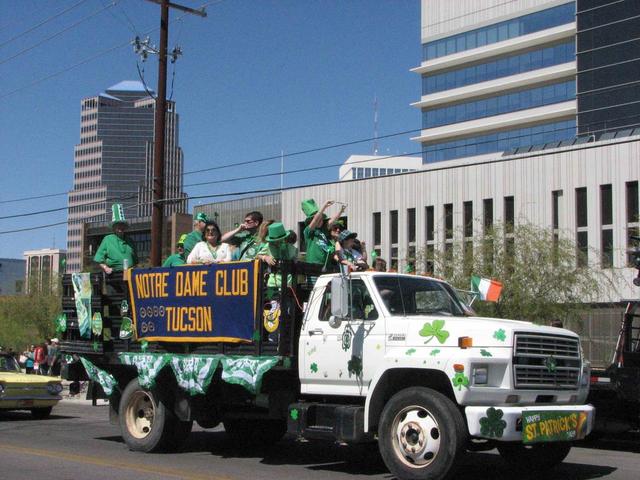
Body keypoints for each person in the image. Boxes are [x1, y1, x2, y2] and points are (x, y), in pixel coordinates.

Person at [301, 199, 345, 270]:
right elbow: (315, 219)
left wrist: (341, 211)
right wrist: (324, 206)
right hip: (313, 265)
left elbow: (333, 220)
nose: (320, 220)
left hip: (325, 266)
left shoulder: (323, 230)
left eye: (321, 219)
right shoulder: (308, 231)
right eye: (319, 219)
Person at [256, 223, 298, 297]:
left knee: (287, 306)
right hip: (273, 282)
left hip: (288, 283)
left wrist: (294, 261)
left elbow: (296, 260)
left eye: (279, 240)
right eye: (274, 240)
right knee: (274, 306)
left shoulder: (292, 248)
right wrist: (265, 257)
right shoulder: (268, 246)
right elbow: (257, 255)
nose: (276, 242)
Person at [94, 204, 138, 274]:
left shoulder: (130, 240)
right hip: (113, 275)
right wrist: (106, 268)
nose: (120, 227)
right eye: (118, 225)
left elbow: (135, 261)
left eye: (122, 224)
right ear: (113, 228)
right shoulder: (107, 239)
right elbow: (98, 259)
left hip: (129, 275)